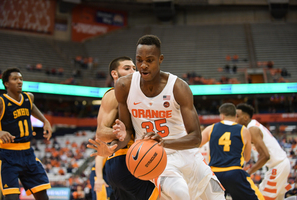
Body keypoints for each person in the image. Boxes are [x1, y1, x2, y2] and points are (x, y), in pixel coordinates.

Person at [89, 35, 226, 200]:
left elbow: (196, 138)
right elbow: (128, 132)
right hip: (158, 159)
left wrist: (164, 142)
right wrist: (113, 148)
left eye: (149, 60)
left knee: (218, 194)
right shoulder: (124, 86)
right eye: (139, 60)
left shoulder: (178, 87)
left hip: (188, 154)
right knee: (180, 194)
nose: (143, 65)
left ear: (160, 59)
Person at [88, 56, 159, 200]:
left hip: (123, 162)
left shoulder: (134, 96)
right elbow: (101, 133)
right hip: (128, 161)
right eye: (127, 68)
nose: (133, 71)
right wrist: (117, 133)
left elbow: (128, 132)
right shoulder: (113, 95)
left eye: (134, 68)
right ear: (115, 74)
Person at [0, 67, 52, 200]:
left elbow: (31, 107)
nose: (19, 81)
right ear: (6, 83)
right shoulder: (0, 102)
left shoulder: (28, 97)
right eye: (15, 79)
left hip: (28, 152)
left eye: (21, 79)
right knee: (12, 197)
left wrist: (45, 121)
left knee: (43, 196)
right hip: (6, 154)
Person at [200, 103, 264, 200]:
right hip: (234, 173)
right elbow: (247, 157)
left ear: (222, 115)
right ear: (236, 116)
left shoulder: (211, 128)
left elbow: (196, 143)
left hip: (215, 175)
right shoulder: (244, 130)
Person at [236, 103, 292, 200]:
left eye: (237, 116)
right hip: (278, 166)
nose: (235, 119)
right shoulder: (252, 127)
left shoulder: (252, 128)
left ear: (245, 117)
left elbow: (265, 156)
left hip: (278, 166)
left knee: (262, 198)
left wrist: (249, 172)